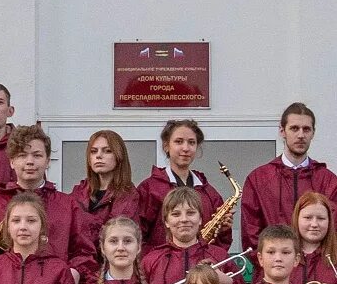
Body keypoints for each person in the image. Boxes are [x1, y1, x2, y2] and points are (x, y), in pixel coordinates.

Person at [0, 124, 96, 284]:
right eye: (22, 155)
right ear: (11, 162)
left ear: (47, 161)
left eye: (37, 155)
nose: (30, 162)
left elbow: (84, 252)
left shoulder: (68, 205)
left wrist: (74, 272)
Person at [241, 102, 337, 253]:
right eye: (294, 128)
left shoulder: (329, 181)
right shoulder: (258, 179)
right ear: (282, 131)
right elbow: (251, 233)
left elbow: (334, 230)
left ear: (313, 132)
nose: (300, 135)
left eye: (306, 129)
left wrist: (318, 263)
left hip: (318, 270)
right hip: (274, 270)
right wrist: (270, 264)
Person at [137, 119, 230, 253]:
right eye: (178, 141)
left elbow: (220, 244)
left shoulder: (209, 192)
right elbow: (138, 237)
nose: (185, 148)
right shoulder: (149, 189)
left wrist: (224, 230)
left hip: (202, 268)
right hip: (162, 268)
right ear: (166, 146)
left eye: (191, 142)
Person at [70, 130, 146, 258]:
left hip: (111, 266)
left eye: (107, 151)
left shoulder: (128, 195)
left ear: (119, 156)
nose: (99, 156)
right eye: (93, 151)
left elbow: (113, 233)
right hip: (80, 264)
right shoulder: (78, 192)